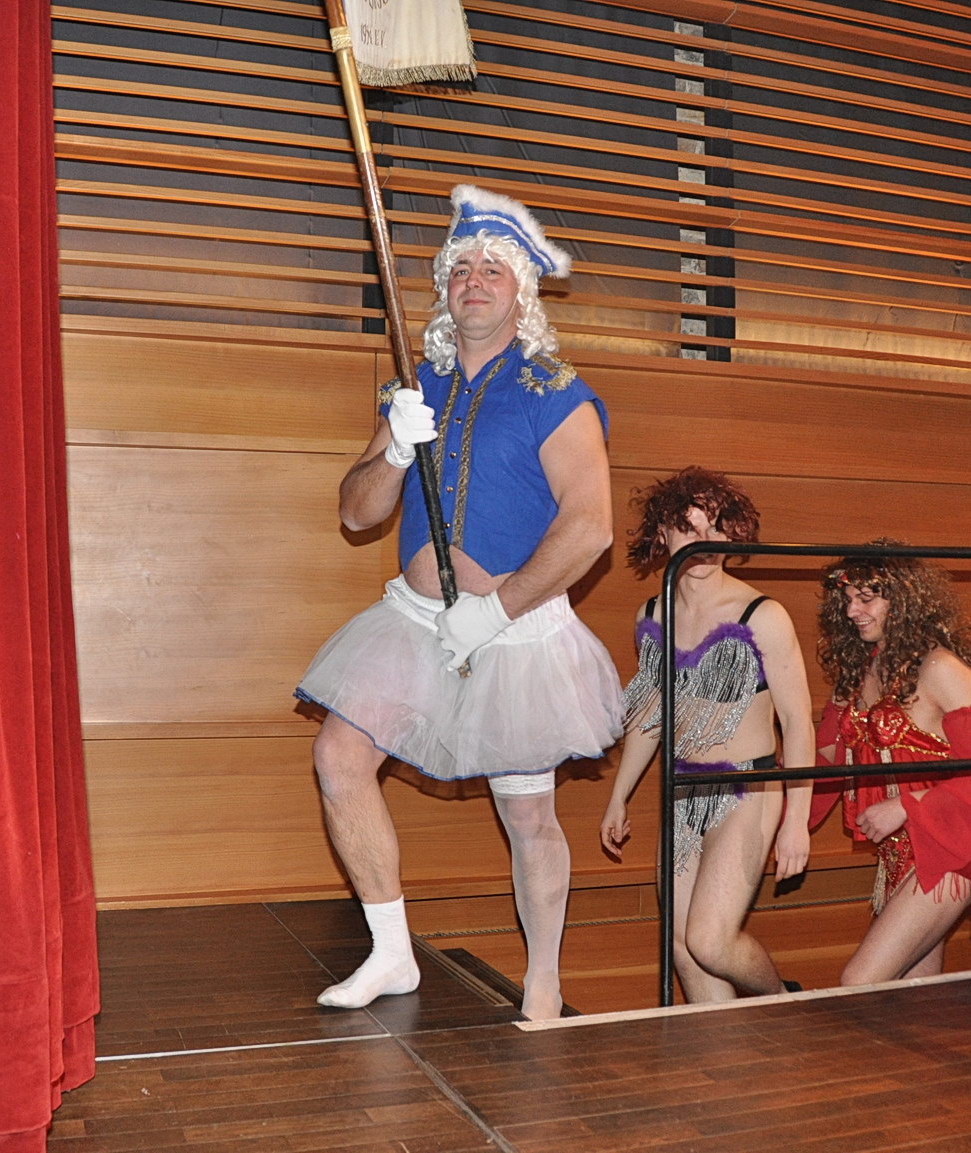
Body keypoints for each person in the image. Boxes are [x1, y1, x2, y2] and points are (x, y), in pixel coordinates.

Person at [295, 184, 622, 1021]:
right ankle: (391, 951)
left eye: (492, 270)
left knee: (528, 815)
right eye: (461, 268)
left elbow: (589, 527)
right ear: (444, 286)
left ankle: (543, 982)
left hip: (513, 632)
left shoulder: (554, 390)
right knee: (338, 756)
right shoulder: (415, 386)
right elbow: (355, 512)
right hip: (411, 621)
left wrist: (498, 608)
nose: (474, 281)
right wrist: (395, 451)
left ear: (521, 290)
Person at [599, 469, 813, 1000]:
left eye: (715, 528)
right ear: (662, 534)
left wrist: (797, 822)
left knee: (710, 942)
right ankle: (720, 1050)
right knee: (683, 949)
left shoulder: (763, 615)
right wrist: (618, 795)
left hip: (749, 788)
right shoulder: (652, 615)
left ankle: (783, 1004)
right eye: (688, 528)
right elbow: (650, 715)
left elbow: (797, 722)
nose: (704, 541)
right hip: (682, 790)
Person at [809, 542, 971, 986]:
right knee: (914, 1000)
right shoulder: (860, 671)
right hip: (895, 856)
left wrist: (906, 805)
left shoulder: (943, 669)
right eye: (847, 599)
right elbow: (826, 763)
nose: (852, 611)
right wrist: (776, 820)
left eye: (866, 598)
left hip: (948, 850)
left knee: (860, 981)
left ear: (903, 598)